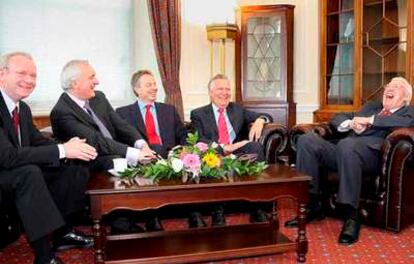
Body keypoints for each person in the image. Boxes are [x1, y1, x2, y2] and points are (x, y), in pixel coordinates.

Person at [0, 52, 98, 264]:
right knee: (30, 173)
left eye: (33, 75)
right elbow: (7, 156)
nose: (29, 80)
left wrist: (69, 148)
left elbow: (36, 141)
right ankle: (44, 262)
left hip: (10, 175)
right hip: (6, 173)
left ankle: (61, 231)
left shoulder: (21, 109)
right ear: (2, 74)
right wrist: (63, 150)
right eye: (21, 73)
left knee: (70, 165)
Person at [284, 77, 414, 245]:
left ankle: (352, 217)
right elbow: (340, 116)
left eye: (396, 87)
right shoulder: (372, 107)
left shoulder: (408, 112)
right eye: (389, 85)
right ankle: (312, 205)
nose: (389, 88)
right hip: (344, 151)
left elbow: (407, 123)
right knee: (307, 140)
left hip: (373, 157)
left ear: (405, 98)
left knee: (348, 144)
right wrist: (350, 123)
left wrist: (369, 121)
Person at [50, 60, 161, 233]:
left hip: (113, 150)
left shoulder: (98, 97)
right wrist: (133, 153)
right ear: (75, 84)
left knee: (149, 157)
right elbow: (96, 141)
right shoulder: (62, 112)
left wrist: (142, 145)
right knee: (117, 162)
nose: (97, 81)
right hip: (88, 162)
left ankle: (149, 216)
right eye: (91, 77)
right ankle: (121, 225)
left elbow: (120, 125)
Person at [116, 70, 204, 227]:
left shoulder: (168, 110)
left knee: (192, 160)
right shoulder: (123, 113)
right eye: (149, 84)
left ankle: (194, 213)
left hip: (171, 156)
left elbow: (183, 134)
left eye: (155, 84)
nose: (154, 88)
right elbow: (122, 141)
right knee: (154, 151)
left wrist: (184, 149)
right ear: (137, 89)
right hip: (143, 159)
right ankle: (152, 217)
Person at [190, 73, 272, 226]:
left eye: (227, 89)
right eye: (220, 89)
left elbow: (266, 115)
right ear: (211, 92)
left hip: (237, 154)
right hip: (215, 153)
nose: (225, 93)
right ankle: (217, 212)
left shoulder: (237, 109)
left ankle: (258, 209)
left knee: (255, 146)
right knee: (209, 156)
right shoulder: (198, 114)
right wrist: (223, 148)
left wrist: (260, 120)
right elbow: (199, 139)